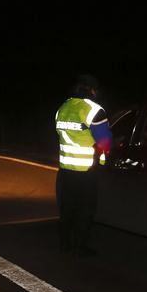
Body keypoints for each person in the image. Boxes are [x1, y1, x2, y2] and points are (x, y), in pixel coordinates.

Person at [54, 74, 112, 256]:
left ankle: (65, 245)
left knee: (67, 208)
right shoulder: (94, 110)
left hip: (65, 170)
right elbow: (104, 141)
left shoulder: (63, 108)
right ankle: (80, 247)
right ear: (92, 90)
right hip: (86, 170)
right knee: (85, 210)